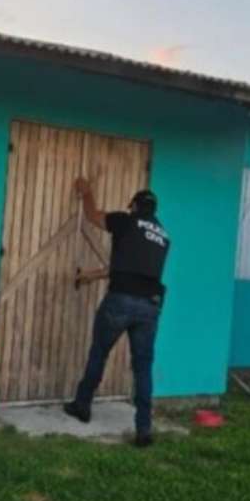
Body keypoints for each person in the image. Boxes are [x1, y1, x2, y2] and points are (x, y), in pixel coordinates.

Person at [63, 178, 170, 447]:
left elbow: (92, 216)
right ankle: (144, 428)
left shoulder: (126, 221)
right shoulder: (163, 236)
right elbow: (128, 267)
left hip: (121, 301)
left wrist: (87, 192)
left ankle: (82, 405)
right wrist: (90, 275)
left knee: (100, 352)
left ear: (134, 206)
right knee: (143, 366)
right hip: (150, 305)